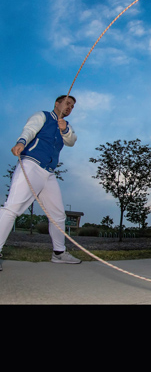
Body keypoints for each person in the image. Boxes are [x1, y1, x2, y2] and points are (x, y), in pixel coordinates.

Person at [0, 95, 81, 271]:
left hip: (49, 173)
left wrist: (65, 129)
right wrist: (21, 142)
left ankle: (59, 253)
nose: (69, 107)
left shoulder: (65, 127)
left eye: (72, 106)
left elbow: (72, 141)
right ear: (57, 103)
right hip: (31, 165)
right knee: (12, 208)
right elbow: (29, 130)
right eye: (67, 103)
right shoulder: (43, 116)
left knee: (58, 215)